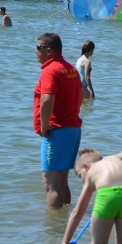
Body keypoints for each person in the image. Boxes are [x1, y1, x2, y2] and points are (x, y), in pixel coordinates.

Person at [34, 33, 84, 208]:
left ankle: (54, 231)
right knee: (62, 182)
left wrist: (45, 126)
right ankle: (64, 222)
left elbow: (47, 99)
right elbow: (82, 95)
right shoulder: (70, 68)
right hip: (73, 129)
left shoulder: (50, 70)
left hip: (57, 131)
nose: (35, 51)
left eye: (38, 48)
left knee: (50, 184)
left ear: (49, 50)